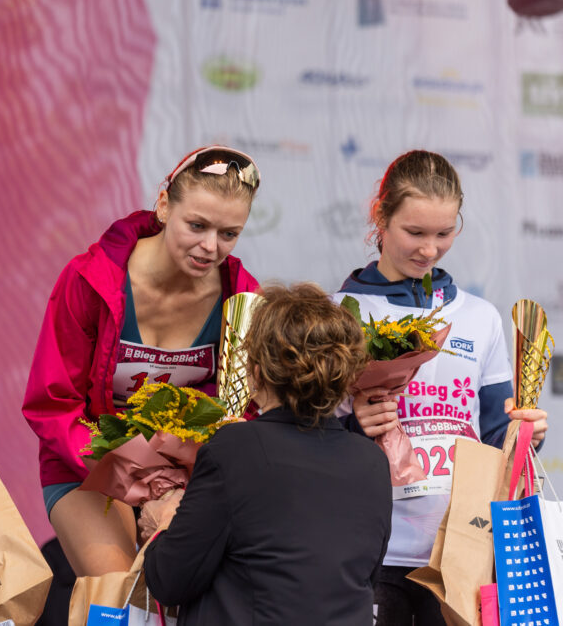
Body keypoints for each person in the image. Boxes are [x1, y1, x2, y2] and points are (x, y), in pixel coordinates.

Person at [22, 145, 261, 576]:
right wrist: (130, 473)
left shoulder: (242, 298)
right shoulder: (91, 280)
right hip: (88, 467)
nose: (210, 246)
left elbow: (246, 410)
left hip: (186, 475)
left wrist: (183, 477)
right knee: (118, 589)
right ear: (164, 206)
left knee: (195, 585)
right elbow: (52, 404)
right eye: (197, 225)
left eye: (229, 234)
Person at [335, 150, 549, 625]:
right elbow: (303, 438)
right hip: (368, 547)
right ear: (380, 216)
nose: (429, 250)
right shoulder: (337, 314)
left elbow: (495, 435)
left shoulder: (479, 317)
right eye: (415, 232)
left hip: (461, 548)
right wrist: (353, 426)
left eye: (444, 233)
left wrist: (526, 436)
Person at [141, 283, 393, 625]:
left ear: (257, 373)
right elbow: (360, 579)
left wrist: (163, 526)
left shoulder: (234, 449)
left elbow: (169, 580)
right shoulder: (372, 461)